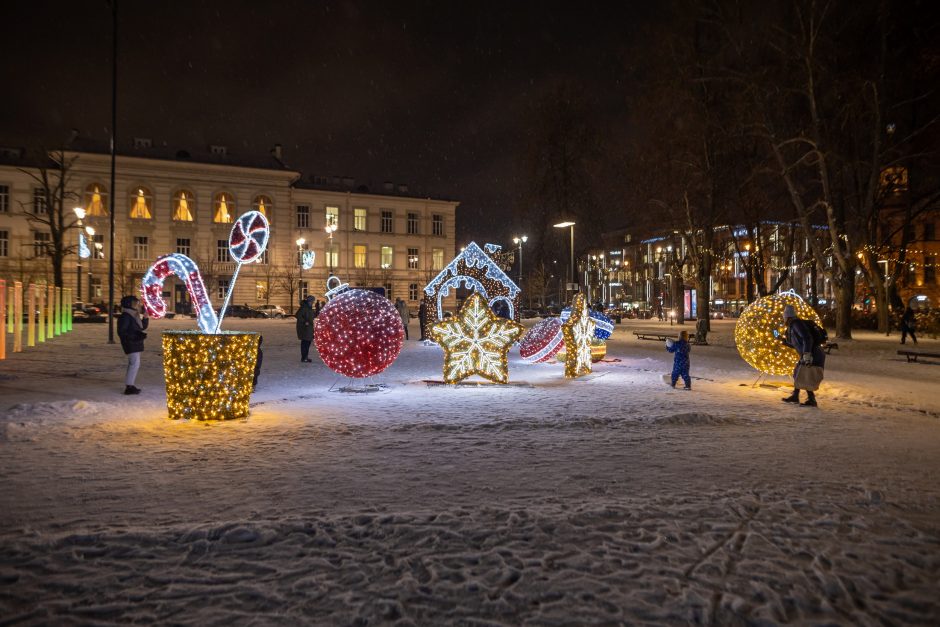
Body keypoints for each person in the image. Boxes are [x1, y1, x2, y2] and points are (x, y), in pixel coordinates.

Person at [780, 304, 825, 407]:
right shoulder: (792, 326)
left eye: (784, 317)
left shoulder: (796, 324)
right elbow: (797, 344)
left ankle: (811, 400)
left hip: (813, 353)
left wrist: (807, 354)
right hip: (807, 353)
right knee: (798, 374)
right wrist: (784, 342)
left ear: (787, 317)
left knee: (804, 375)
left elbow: (807, 338)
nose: (784, 320)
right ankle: (796, 396)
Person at [116, 295, 148, 395]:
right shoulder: (126, 316)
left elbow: (141, 327)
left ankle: (130, 385)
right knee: (134, 364)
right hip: (131, 343)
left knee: (134, 364)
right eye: (134, 303)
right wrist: (134, 336)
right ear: (128, 304)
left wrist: (145, 318)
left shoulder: (133, 315)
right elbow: (122, 331)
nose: (136, 305)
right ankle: (129, 386)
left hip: (135, 342)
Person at [296, 295, 315, 362]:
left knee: (307, 342)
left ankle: (305, 357)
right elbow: (298, 315)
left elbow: (312, 316)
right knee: (305, 343)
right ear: (309, 301)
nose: (313, 302)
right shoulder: (304, 308)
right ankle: (304, 358)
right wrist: (304, 322)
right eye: (312, 301)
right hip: (304, 328)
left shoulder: (309, 308)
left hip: (309, 327)